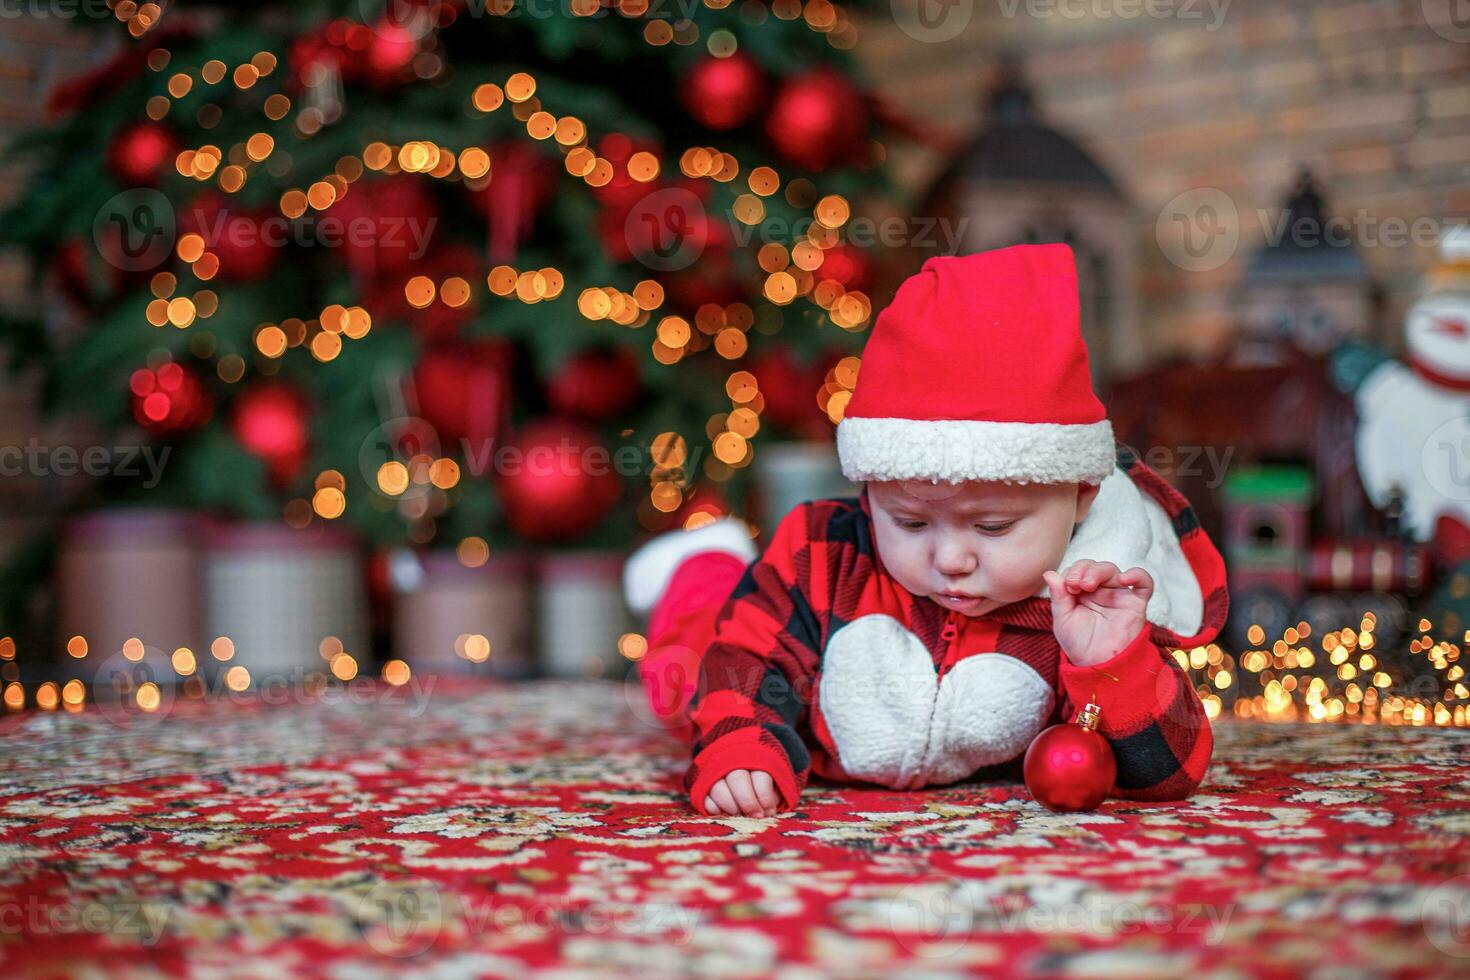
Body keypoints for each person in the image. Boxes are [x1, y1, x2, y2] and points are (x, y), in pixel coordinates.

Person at [621, 243, 1229, 818]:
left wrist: (1110, 665)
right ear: (870, 490)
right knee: (684, 673)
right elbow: (749, 659)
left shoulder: (1088, 598)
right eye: (909, 521)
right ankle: (703, 567)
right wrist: (740, 744)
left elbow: (1169, 775)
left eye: (992, 527)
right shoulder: (824, 552)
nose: (951, 559)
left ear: (1080, 497)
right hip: (734, 627)